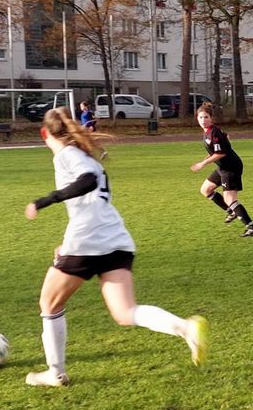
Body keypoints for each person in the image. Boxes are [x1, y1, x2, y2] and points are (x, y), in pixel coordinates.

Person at [24, 106, 207, 386]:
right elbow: (89, 204)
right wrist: (67, 242)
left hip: (88, 241)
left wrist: (45, 200)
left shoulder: (66, 156)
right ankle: (185, 328)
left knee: (49, 303)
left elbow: (87, 183)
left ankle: (55, 372)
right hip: (114, 238)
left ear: (44, 133)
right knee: (125, 313)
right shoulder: (85, 156)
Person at [191, 101, 253, 238]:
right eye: (200, 118)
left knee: (229, 198)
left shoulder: (213, 132)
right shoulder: (210, 131)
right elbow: (226, 137)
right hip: (223, 166)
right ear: (197, 118)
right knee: (206, 190)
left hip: (231, 166)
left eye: (206, 117)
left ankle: (251, 226)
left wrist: (203, 163)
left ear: (211, 118)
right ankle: (232, 211)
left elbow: (221, 153)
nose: (203, 120)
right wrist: (213, 153)